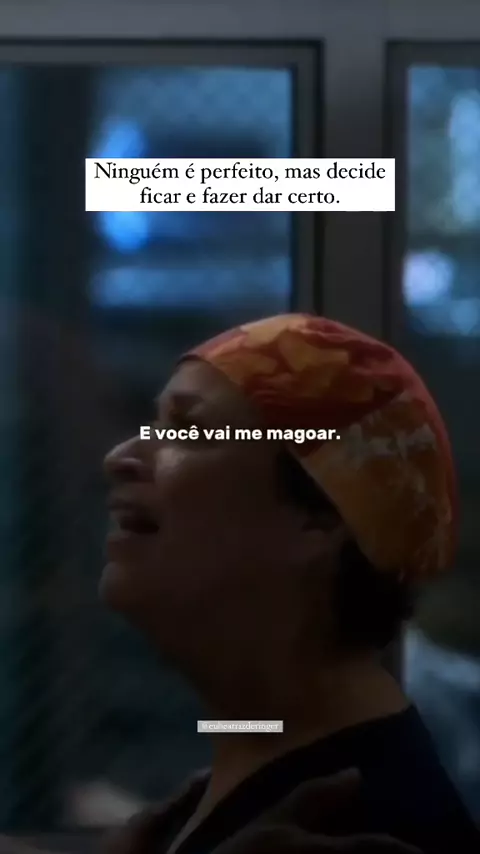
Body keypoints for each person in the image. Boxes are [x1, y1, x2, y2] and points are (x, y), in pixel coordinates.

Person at [101, 313, 478, 854]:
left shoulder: (357, 832)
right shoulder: (262, 767)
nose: (119, 457)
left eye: (192, 431)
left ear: (321, 515)